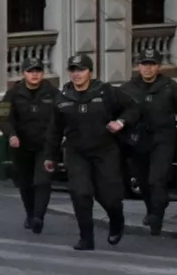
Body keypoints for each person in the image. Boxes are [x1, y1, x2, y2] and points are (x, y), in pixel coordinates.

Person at [43, 53, 136, 250]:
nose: (77, 74)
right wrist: (49, 156)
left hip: (105, 150)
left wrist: (120, 122)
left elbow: (133, 109)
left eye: (81, 70)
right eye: (73, 70)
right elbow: (54, 130)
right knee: (80, 193)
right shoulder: (62, 98)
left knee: (109, 195)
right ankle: (86, 237)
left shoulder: (106, 92)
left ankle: (116, 221)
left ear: (90, 72)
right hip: (77, 152)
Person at [121, 52, 177, 235]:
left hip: (163, 139)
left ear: (159, 67)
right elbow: (117, 114)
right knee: (143, 181)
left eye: (152, 64)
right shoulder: (127, 89)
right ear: (138, 67)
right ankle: (152, 209)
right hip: (138, 142)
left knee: (157, 179)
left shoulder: (170, 87)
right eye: (144, 64)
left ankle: (157, 216)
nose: (148, 68)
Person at [0, 59, 61, 233]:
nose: (34, 74)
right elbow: (4, 118)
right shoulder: (12, 94)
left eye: (38, 71)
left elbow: (61, 117)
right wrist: (11, 134)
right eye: (30, 71)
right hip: (21, 146)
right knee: (25, 183)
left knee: (43, 181)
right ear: (24, 73)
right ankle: (30, 213)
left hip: (46, 146)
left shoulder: (53, 93)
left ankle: (38, 217)